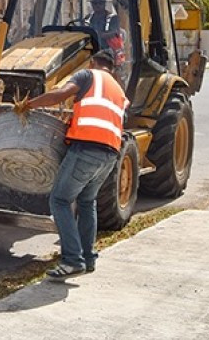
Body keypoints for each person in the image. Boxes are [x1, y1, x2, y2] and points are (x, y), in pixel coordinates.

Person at [15, 49, 129, 281]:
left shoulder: (87, 75)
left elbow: (60, 94)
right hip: (110, 154)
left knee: (59, 200)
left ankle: (72, 260)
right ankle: (88, 259)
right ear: (112, 67)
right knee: (87, 202)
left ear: (92, 62)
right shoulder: (118, 90)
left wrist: (29, 105)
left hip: (86, 149)